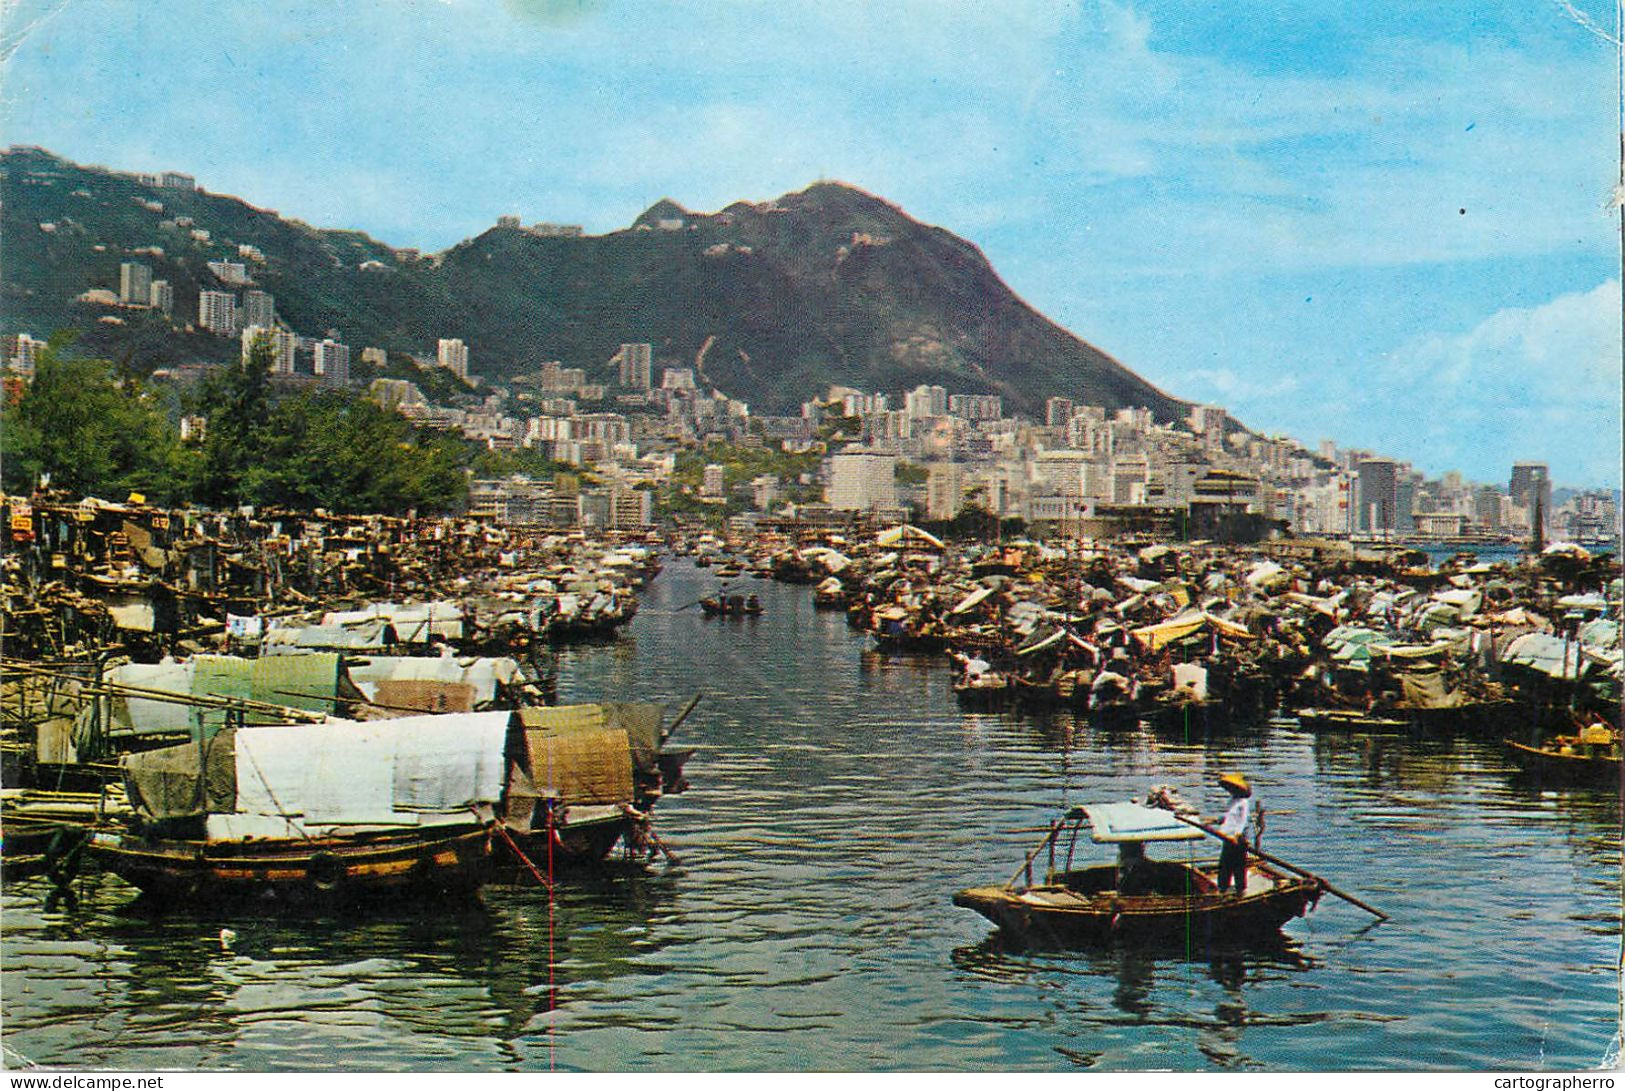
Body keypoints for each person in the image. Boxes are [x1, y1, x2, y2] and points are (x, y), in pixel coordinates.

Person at [1211, 771, 1263, 896]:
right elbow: (1228, 817)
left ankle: (1240, 890)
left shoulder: (1243, 802)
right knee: (1225, 864)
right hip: (1227, 836)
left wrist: (1237, 834)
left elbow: (1242, 821)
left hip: (1237, 838)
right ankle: (1222, 888)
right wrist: (1219, 820)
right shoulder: (1232, 801)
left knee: (1238, 864)